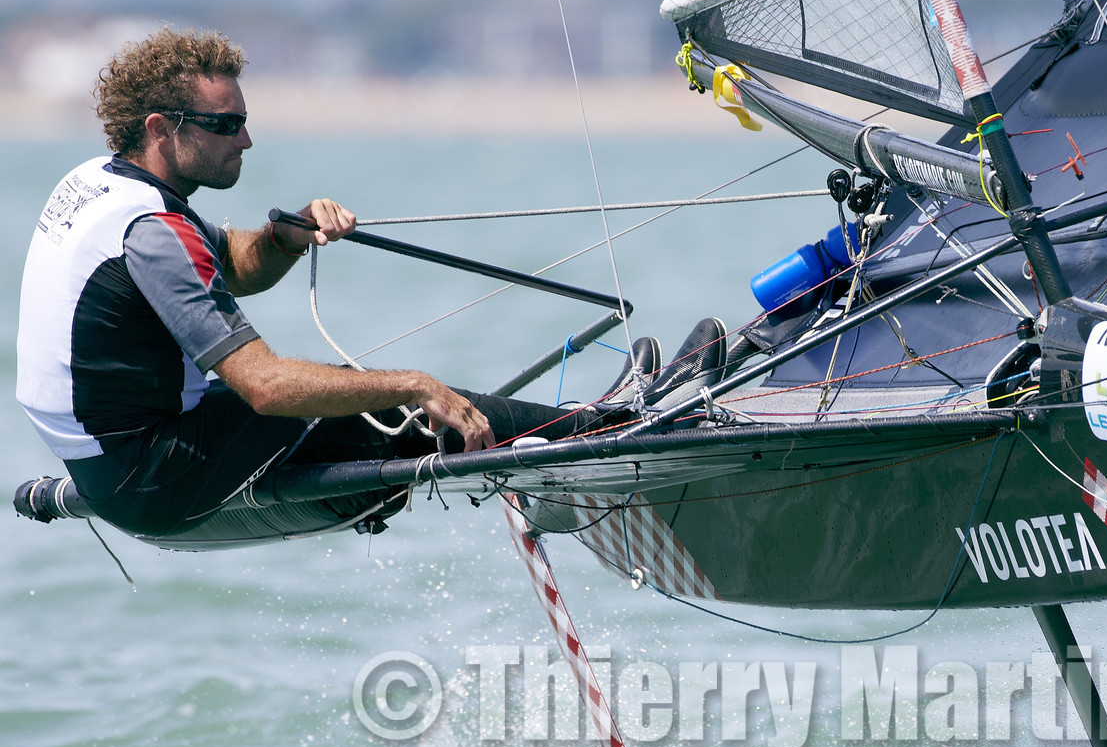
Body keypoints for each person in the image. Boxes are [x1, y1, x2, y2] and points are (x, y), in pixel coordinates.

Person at [15, 28, 724, 538]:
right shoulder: (154, 233)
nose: (246, 140)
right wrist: (417, 383)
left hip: (119, 465)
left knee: (362, 411)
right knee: (393, 408)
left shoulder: (102, 184)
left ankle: (592, 424)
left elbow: (228, 263)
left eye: (245, 121)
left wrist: (282, 238)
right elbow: (264, 386)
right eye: (226, 124)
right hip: (152, 476)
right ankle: (620, 426)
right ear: (162, 128)